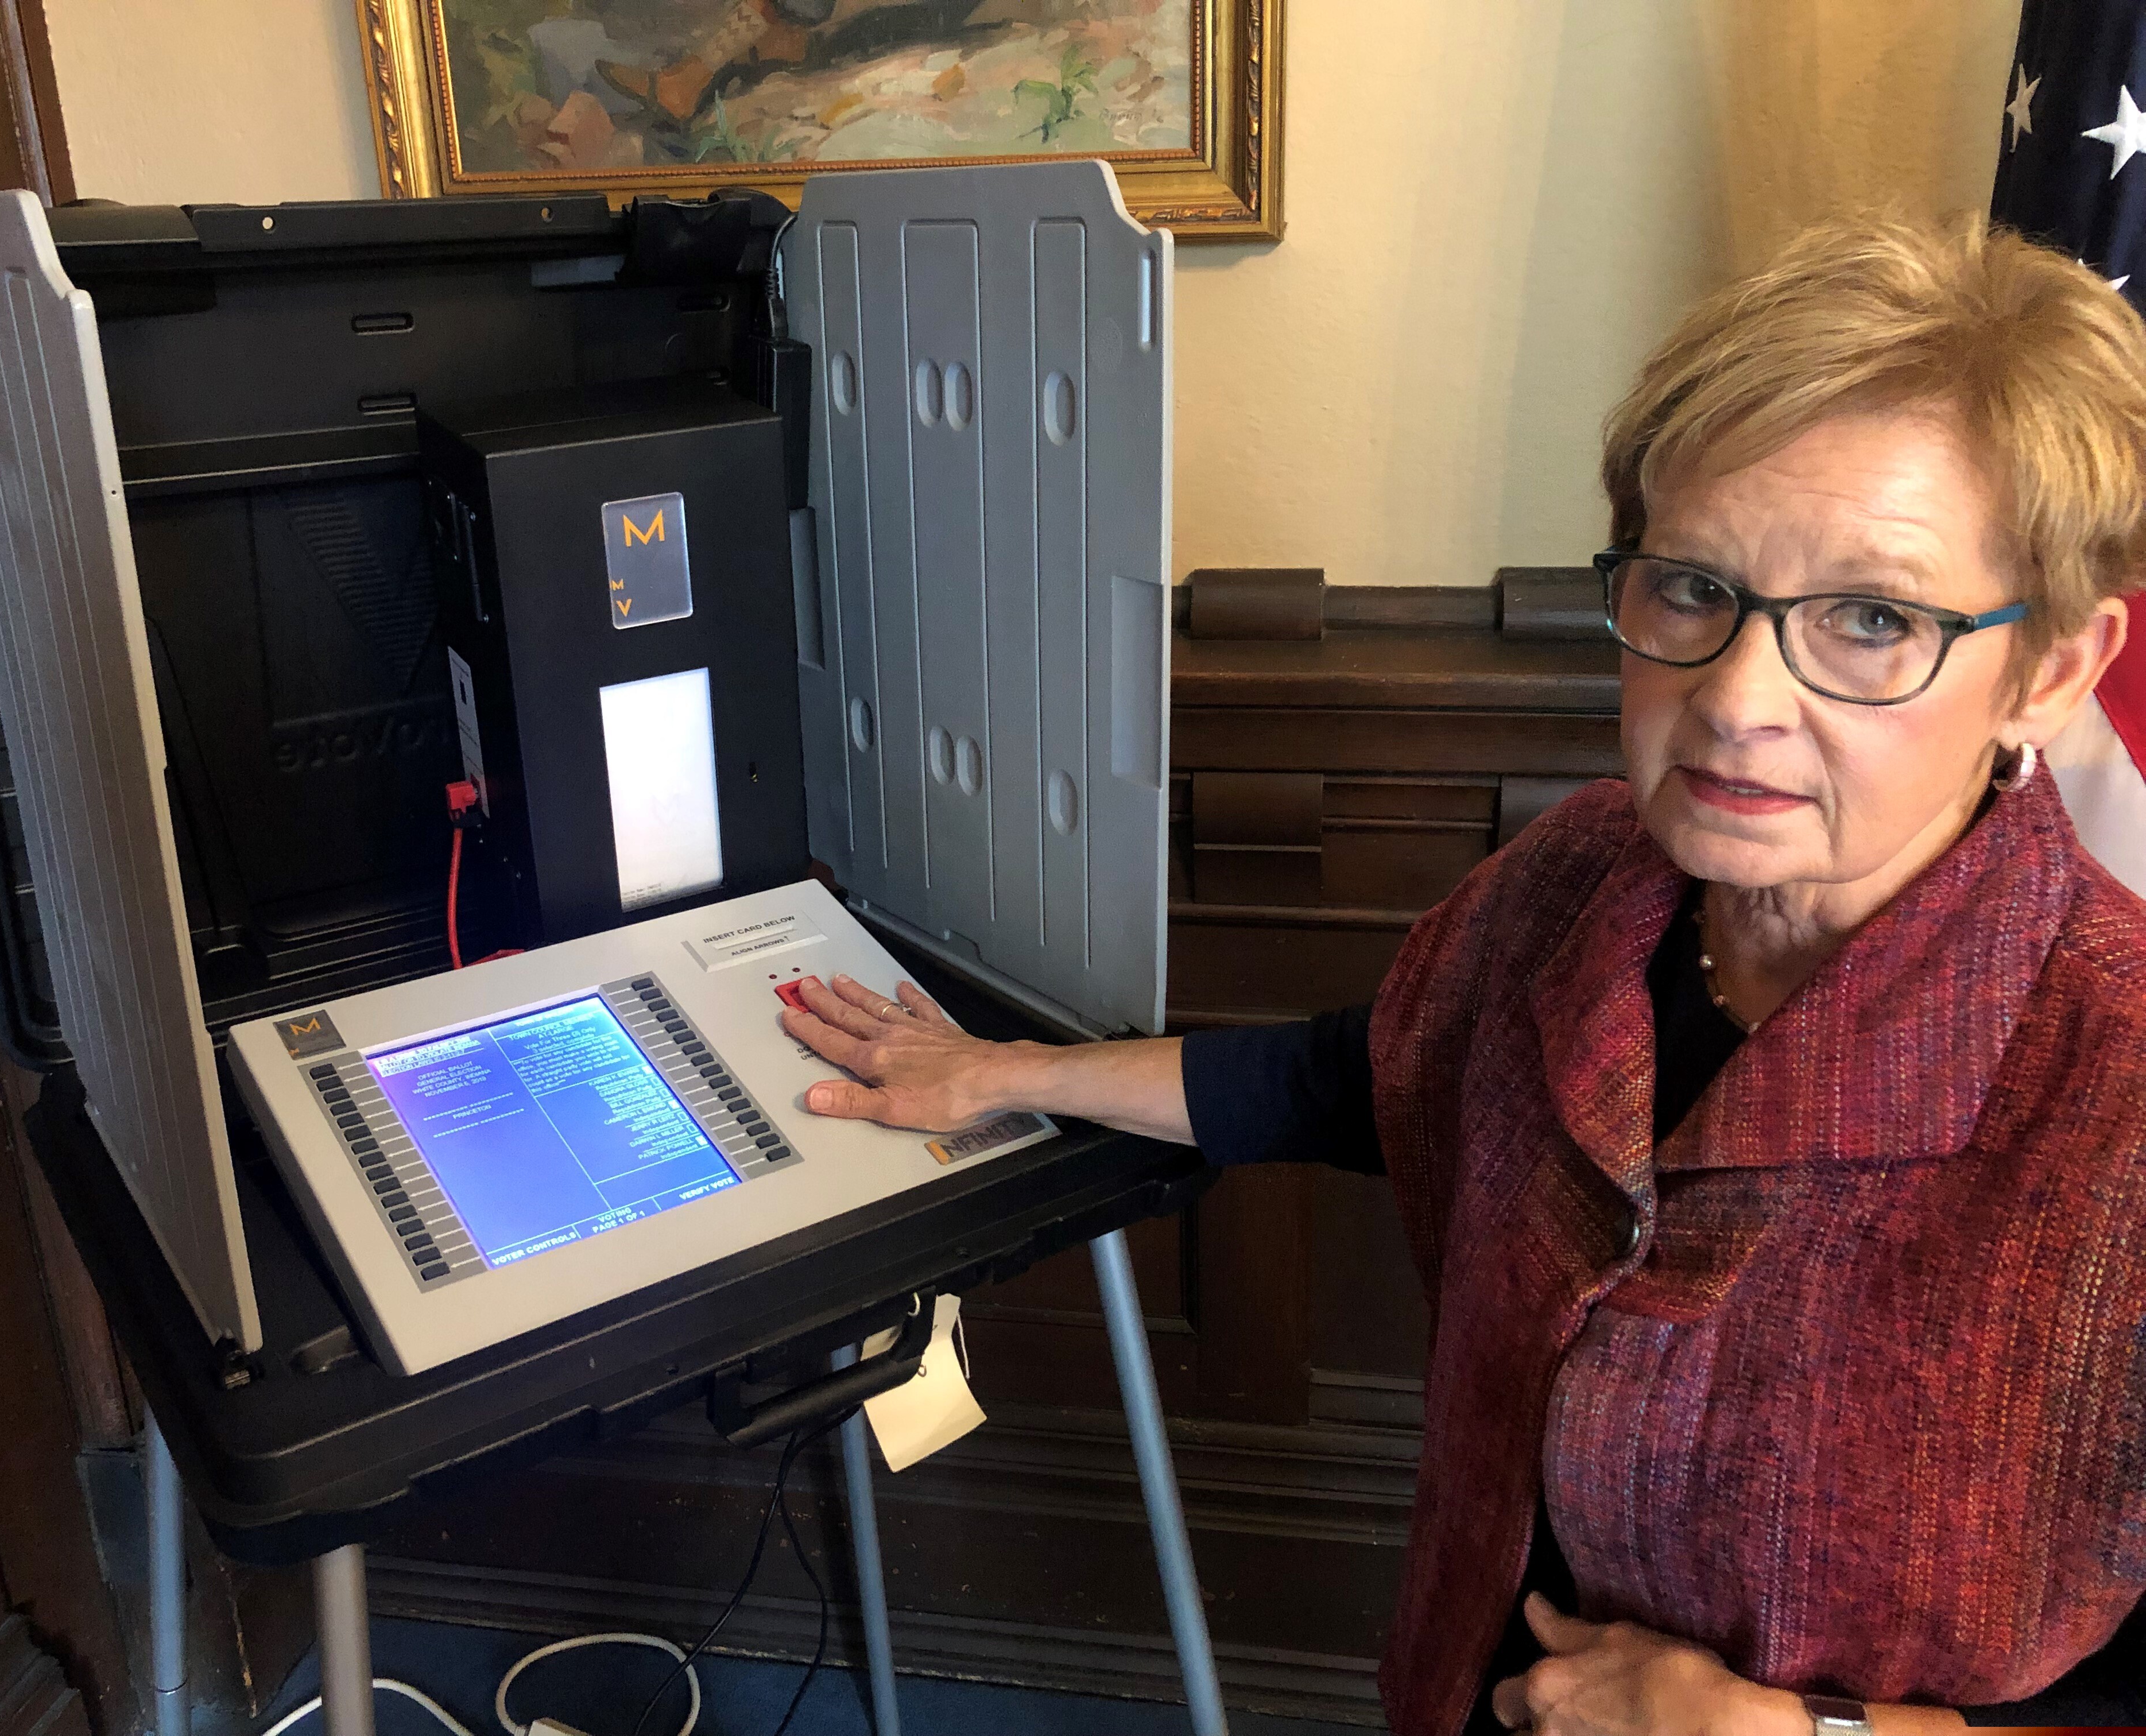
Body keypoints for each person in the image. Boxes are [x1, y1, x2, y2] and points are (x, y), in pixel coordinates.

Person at [776, 213, 2146, 1735]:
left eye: (1875, 620)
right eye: (1693, 588)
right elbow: (1365, 1077)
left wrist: (1803, 1735)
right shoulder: (1575, 888)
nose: (1739, 699)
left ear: (2051, 671)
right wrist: (1001, 1077)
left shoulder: (2114, 1081)